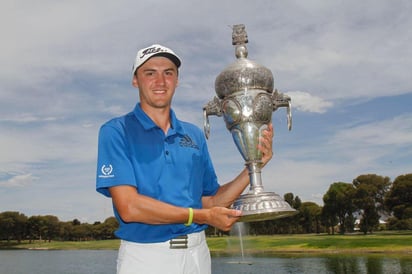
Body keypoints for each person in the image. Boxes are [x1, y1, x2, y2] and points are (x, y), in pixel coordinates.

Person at [96, 44, 274, 274]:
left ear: (177, 81)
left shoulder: (193, 134)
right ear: (135, 81)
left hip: (198, 255)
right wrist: (201, 216)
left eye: (168, 73)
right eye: (150, 73)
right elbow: (130, 207)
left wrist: (254, 166)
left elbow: (210, 201)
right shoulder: (116, 130)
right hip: (147, 258)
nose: (160, 81)